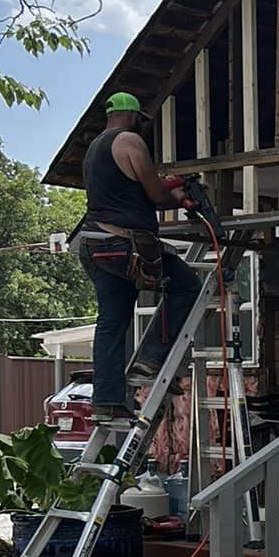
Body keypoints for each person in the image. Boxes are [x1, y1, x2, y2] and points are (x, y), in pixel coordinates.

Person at [74, 92, 204, 421]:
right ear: (133, 116)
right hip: (123, 245)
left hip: (94, 244)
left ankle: (106, 400)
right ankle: (153, 358)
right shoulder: (130, 141)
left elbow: (127, 188)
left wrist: (162, 185)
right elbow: (155, 195)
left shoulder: (95, 148)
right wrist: (178, 196)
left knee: (112, 321)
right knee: (186, 286)